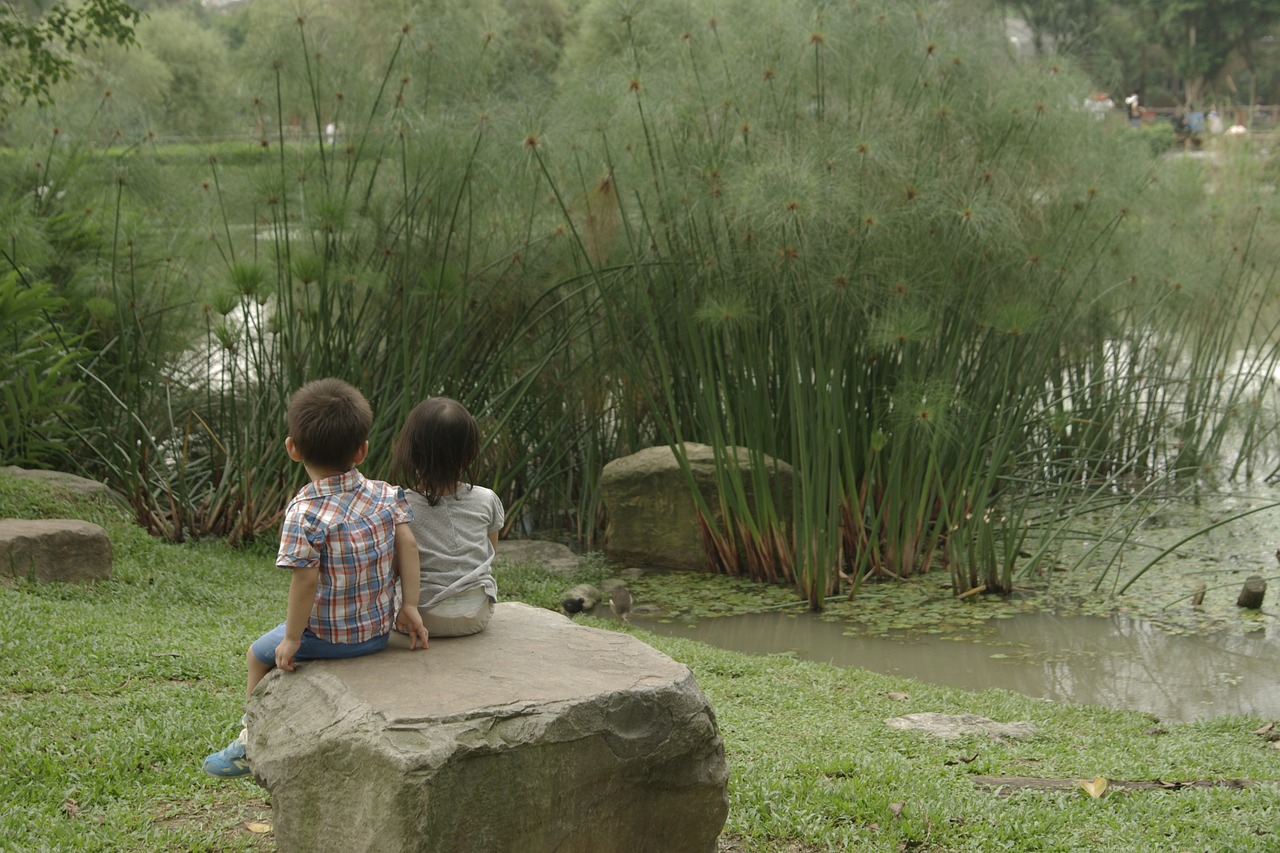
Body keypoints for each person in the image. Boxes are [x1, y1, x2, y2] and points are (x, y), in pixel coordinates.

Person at [203, 378, 429, 777]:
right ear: (362, 450)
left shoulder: (304, 512)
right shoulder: (384, 494)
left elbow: (305, 581)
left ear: (292, 448)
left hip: (328, 639)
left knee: (257, 653)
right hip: (377, 634)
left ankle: (250, 738)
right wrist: (408, 606)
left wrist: (291, 640)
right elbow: (408, 546)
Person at [391, 397, 505, 637]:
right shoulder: (487, 499)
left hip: (420, 616)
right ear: (471, 453)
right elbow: (488, 549)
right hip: (476, 615)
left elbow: (394, 568)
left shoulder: (398, 503)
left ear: (411, 452)